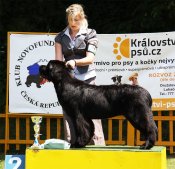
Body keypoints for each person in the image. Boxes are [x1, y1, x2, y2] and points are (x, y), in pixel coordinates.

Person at [54, 4, 105, 146]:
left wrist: (74, 62)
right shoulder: (60, 37)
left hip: (87, 79)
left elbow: (90, 58)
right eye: (70, 20)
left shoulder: (91, 34)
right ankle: (72, 144)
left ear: (82, 18)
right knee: (69, 115)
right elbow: (58, 62)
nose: (73, 23)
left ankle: (98, 145)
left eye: (76, 19)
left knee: (93, 114)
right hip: (68, 83)